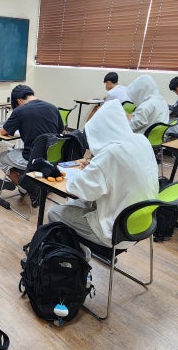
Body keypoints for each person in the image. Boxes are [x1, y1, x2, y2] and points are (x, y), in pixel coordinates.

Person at [47, 100, 159, 246]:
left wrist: (88, 170)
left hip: (116, 231)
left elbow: (78, 189)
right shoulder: (141, 140)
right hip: (141, 223)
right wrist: (95, 167)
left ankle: (71, 255)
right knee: (76, 204)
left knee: (54, 212)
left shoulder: (111, 153)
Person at [0, 84, 64, 189]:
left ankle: (25, 188)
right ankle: (30, 183)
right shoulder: (53, 107)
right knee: (18, 151)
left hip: (32, 160)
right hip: (53, 159)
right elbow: (60, 130)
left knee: (2, 158)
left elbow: (3, 132)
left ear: (18, 101)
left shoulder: (19, 111)